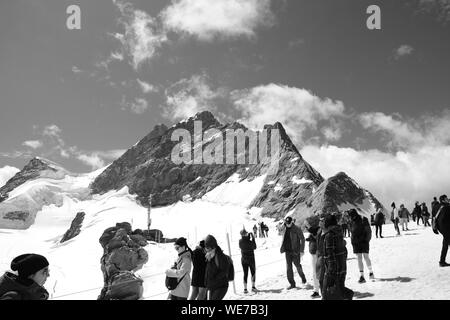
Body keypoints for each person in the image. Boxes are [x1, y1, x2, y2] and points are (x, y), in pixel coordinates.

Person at [320, 214, 353, 300]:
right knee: (338, 290)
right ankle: (347, 295)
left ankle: (348, 295)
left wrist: (330, 270)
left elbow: (330, 253)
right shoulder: (339, 233)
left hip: (333, 270)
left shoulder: (329, 235)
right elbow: (344, 251)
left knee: (326, 293)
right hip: (342, 267)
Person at [280, 216, 307, 289]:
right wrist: (283, 224)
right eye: (286, 223)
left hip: (295, 251)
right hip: (287, 251)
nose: (288, 224)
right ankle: (292, 284)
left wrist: (301, 250)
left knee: (297, 266)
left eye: (289, 223)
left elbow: (302, 239)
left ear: (292, 222)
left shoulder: (297, 229)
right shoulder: (284, 228)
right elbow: (279, 230)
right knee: (289, 268)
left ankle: (303, 277)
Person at [349, 210, 374, 283]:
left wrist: (366, 240)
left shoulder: (363, 219)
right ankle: (362, 276)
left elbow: (368, 231)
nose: (350, 217)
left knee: (365, 257)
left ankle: (370, 272)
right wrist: (353, 241)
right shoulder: (351, 221)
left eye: (351, 216)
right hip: (356, 243)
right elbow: (351, 231)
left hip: (363, 242)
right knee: (359, 258)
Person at [204, 235, 230, 300]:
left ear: (213, 246)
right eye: (206, 247)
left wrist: (214, 279)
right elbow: (209, 271)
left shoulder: (220, 256)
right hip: (212, 286)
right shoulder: (209, 256)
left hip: (221, 286)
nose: (206, 249)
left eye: (208, 247)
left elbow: (224, 271)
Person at [239, 229, 257, 293]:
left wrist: (248, 237)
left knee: (245, 273)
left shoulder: (240, 241)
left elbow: (245, 242)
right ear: (245, 234)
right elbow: (254, 247)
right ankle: (253, 287)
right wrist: (253, 238)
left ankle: (245, 289)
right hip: (251, 259)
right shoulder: (249, 241)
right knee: (253, 272)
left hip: (243, 260)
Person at [306, 224, 321, 298]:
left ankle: (322, 290)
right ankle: (316, 290)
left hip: (319, 254)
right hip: (313, 254)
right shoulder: (312, 233)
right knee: (314, 273)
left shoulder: (320, 230)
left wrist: (314, 236)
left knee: (321, 272)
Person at [435, 195, 450, 267]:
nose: (448, 199)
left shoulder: (436, 206)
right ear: (443, 200)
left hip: (440, 228)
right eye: (446, 198)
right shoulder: (447, 207)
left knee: (446, 243)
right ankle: (442, 261)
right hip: (446, 228)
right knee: (446, 243)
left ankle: (442, 261)